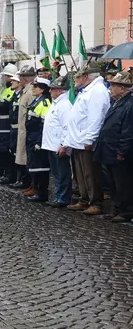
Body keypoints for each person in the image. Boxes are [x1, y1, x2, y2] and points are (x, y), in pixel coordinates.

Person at [62, 63, 110, 215]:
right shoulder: (87, 90)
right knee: (80, 173)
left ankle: (95, 202)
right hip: (77, 139)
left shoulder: (97, 91)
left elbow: (96, 117)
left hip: (85, 140)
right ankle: (84, 199)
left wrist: (90, 139)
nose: (75, 79)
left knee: (91, 174)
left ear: (86, 77)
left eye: (77, 76)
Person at [93, 71, 133, 222]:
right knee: (113, 183)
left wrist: (122, 151)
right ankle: (116, 208)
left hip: (118, 151)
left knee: (123, 182)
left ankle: (127, 211)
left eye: (114, 86)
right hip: (109, 149)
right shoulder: (117, 102)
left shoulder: (129, 105)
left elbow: (128, 131)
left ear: (123, 88)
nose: (110, 88)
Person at [41, 76, 74, 208]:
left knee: (62, 173)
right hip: (51, 144)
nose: (50, 92)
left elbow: (67, 126)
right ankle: (59, 195)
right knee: (56, 173)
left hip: (58, 146)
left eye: (53, 89)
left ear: (59, 91)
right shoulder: (57, 103)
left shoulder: (64, 105)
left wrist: (63, 145)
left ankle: (63, 197)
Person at [24, 78, 52, 202]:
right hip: (31, 136)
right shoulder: (37, 100)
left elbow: (44, 125)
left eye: (36, 87)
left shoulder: (45, 103)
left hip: (37, 138)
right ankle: (36, 189)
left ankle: (42, 193)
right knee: (34, 166)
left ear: (42, 89)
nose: (33, 89)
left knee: (41, 168)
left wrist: (39, 142)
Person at [12, 66, 36, 192]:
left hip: (28, 131)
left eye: (21, 76)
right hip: (22, 130)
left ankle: (31, 184)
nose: (19, 79)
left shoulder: (31, 91)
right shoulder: (26, 90)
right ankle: (28, 183)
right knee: (25, 159)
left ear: (25, 78)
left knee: (29, 159)